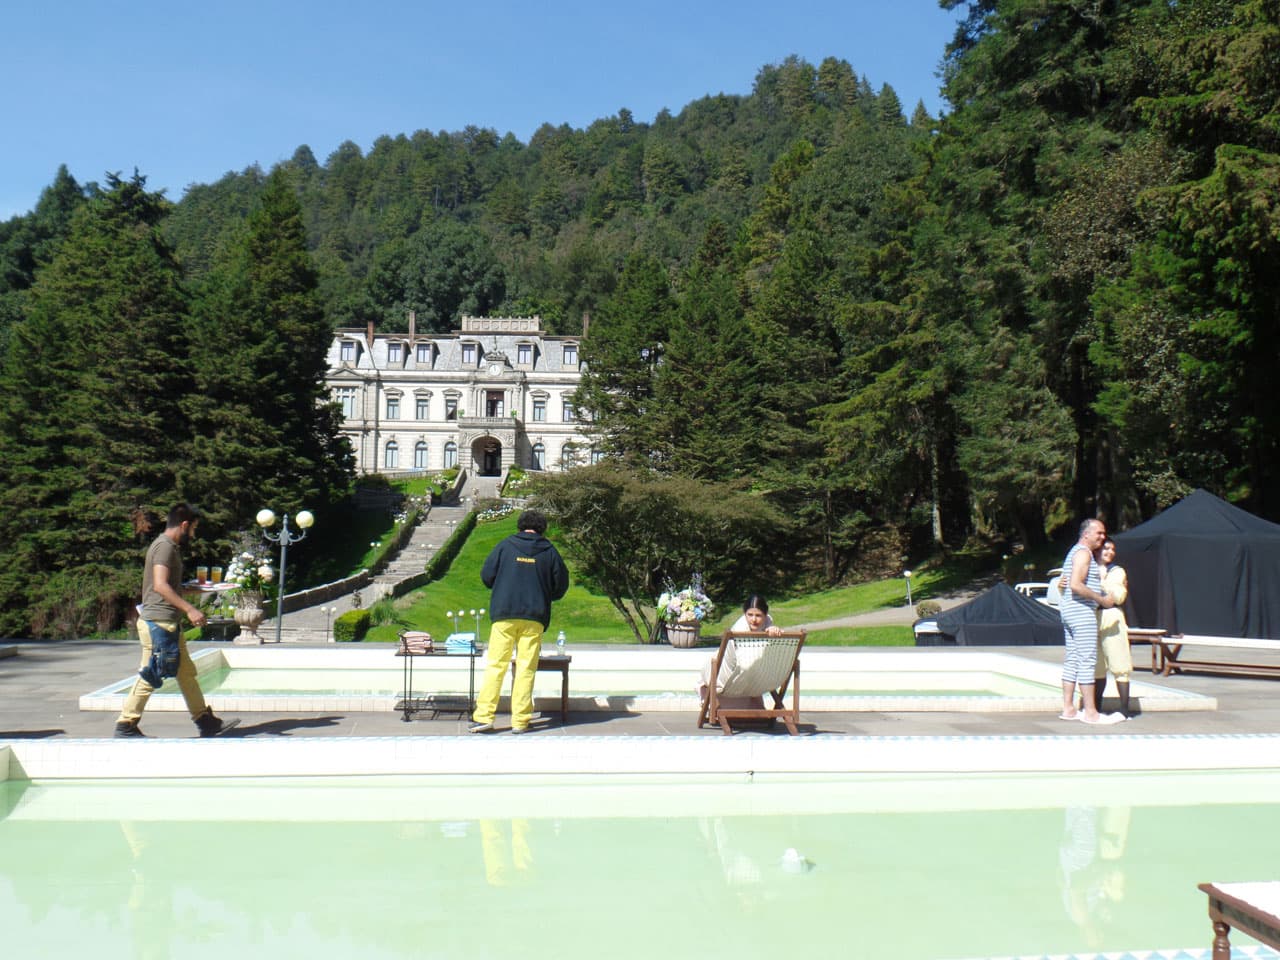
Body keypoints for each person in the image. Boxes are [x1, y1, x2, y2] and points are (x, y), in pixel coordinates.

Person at [115, 502, 226, 738]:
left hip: (166, 622)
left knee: (185, 673)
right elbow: (160, 585)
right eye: (193, 529)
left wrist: (191, 589)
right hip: (159, 622)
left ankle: (205, 721)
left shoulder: (169, 547)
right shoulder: (164, 547)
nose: (193, 535)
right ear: (184, 525)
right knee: (151, 674)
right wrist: (190, 610)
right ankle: (126, 724)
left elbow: (167, 586)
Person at [470, 509, 569, 735]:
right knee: (526, 669)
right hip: (534, 617)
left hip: (504, 614)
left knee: (496, 665)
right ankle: (520, 721)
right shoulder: (550, 551)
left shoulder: (505, 546)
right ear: (542, 528)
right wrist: (544, 595)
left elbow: (487, 576)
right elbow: (561, 585)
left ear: (520, 525)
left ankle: (484, 716)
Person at [1058, 518, 1122, 724]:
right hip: (1081, 612)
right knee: (1087, 661)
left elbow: (1069, 583)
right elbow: (1076, 585)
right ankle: (1091, 713)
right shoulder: (1084, 553)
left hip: (1069, 610)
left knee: (1073, 660)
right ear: (1086, 534)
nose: (1103, 537)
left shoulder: (1075, 552)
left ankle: (1068, 709)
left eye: (1104, 534)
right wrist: (1101, 599)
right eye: (1099, 533)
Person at [697, 595, 783, 704]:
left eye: (758, 615)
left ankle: (756, 708)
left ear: (765, 615)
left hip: (752, 669)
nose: (754, 619)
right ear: (745, 614)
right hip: (726, 666)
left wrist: (772, 629)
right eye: (750, 615)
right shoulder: (740, 629)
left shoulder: (768, 621)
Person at [1094, 538, 1133, 717]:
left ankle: (1124, 708)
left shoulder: (1117, 571)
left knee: (1119, 662)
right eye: (1106, 548)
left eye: (1112, 549)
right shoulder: (1088, 567)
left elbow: (1117, 595)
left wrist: (1099, 584)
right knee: (1097, 665)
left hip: (1112, 617)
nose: (1110, 552)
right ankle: (1095, 707)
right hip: (1092, 618)